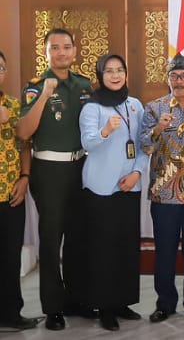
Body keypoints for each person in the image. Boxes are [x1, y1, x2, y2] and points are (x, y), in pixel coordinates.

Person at [16, 28, 94, 331]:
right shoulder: (35, 87)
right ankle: (53, 308)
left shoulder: (85, 85)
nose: (61, 52)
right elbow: (24, 133)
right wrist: (45, 95)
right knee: (51, 240)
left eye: (66, 47)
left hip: (80, 168)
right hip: (49, 171)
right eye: (55, 48)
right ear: (46, 52)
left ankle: (75, 299)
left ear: (74, 51)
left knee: (77, 238)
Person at [79, 54, 149, 331]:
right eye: (109, 71)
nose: (115, 75)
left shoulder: (135, 105)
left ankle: (123, 301)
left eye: (120, 70)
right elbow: (88, 144)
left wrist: (137, 173)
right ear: (100, 75)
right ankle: (104, 306)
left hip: (129, 184)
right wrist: (106, 131)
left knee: (126, 246)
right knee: (103, 248)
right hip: (101, 187)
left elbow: (143, 144)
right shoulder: (92, 108)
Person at [140, 54, 184, 323]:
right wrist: (158, 129)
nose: (179, 81)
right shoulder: (154, 108)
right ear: (168, 79)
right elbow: (145, 146)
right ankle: (165, 303)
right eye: (174, 75)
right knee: (165, 252)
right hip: (164, 193)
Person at [0, 51, 37, 331]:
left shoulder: (14, 106)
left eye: (0, 67)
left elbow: (24, 144)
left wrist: (25, 177)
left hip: (11, 193)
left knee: (10, 257)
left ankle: (11, 314)